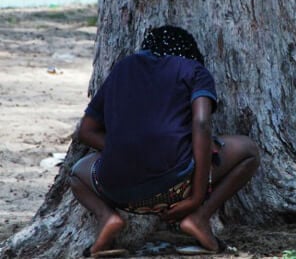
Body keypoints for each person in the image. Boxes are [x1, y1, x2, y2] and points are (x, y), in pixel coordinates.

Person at [70, 25, 260, 257]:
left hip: (115, 191)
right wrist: (197, 196)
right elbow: (201, 124)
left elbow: (86, 131)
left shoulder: (123, 69)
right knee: (249, 151)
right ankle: (199, 218)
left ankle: (107, 217)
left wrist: (124, 150)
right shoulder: (194, 70)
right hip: (177, 187)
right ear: (190, 52)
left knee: (77, 172)